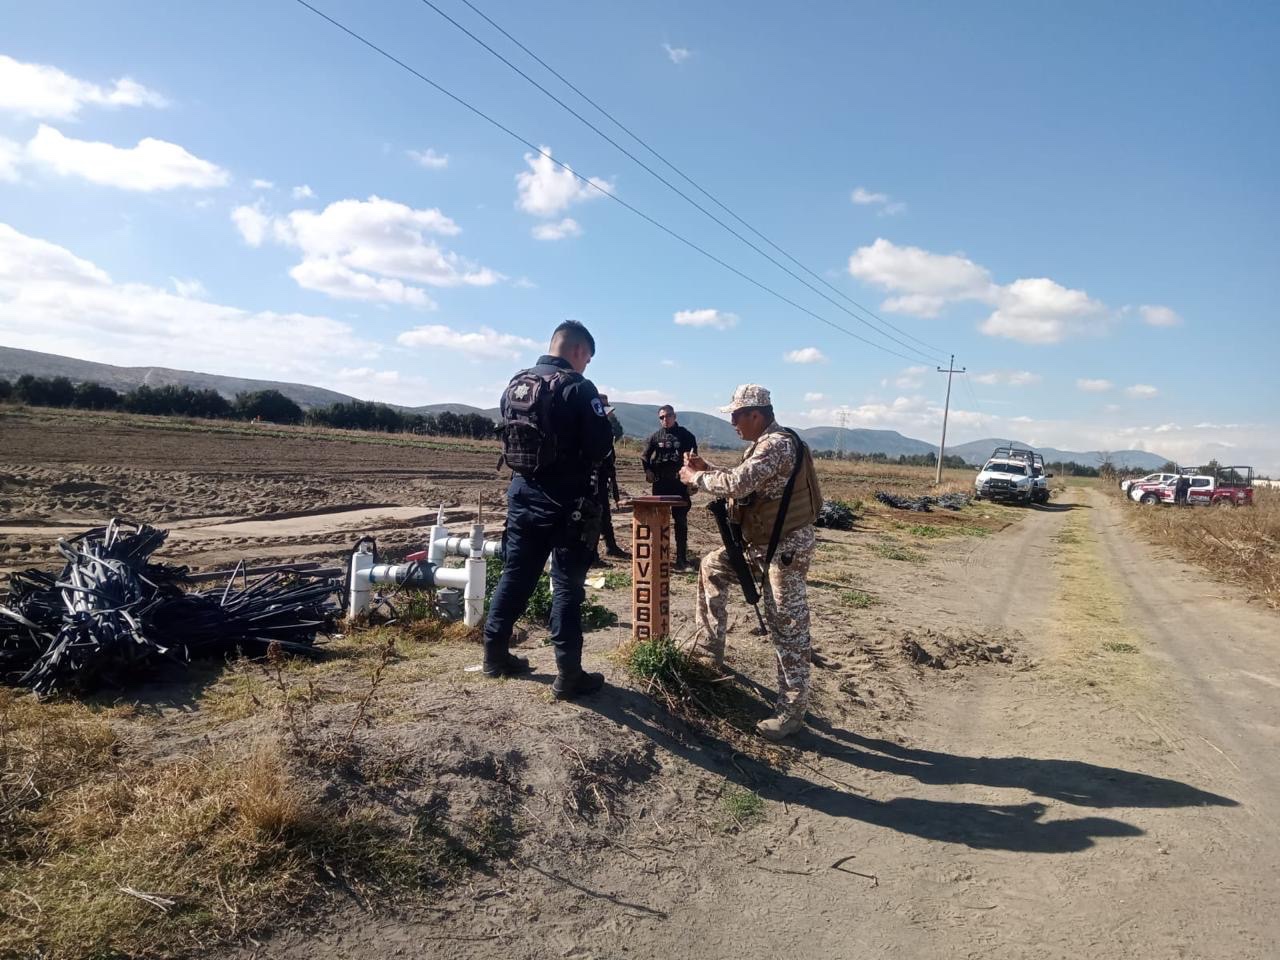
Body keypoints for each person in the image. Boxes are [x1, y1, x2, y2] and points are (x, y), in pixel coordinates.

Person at [678, 384, 822, 741]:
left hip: (783, 551)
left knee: (787, 626)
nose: (732, 422)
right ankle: (708, 652)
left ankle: (791, 712)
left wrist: (696, 477)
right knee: (712, 565)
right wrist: (708, 468)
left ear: (756, 414)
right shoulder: (764, 446)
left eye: (736, 415)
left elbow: (739, 483)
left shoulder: (777, 444)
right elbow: (752, 483)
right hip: (761, 545)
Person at [484, 321, 615, 700]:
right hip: (568, 503)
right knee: (567, 586)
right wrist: (603, 421)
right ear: (578, 351)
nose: (586, 366)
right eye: (587, 358)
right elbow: (600, 448)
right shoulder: (578, 387)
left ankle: (494, 656)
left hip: (522, 493)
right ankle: (568, 673)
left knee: (516, 574)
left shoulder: (517, 382)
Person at [642, 404, 698, 569]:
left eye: (668, 416)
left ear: (675, 416)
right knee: (659, 521)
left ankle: (681, 558)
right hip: (661, 485)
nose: (665, 420)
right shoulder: (655, 437)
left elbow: (694, 459)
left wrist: (692, 481)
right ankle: (660, 557)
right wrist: (648, 471)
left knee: (680, 521)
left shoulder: (686, 436)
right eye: (662, 417)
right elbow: (644, 455)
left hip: (679, 484)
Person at [594, 395, 628, 561]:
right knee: (593, 514)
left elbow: (618, 434)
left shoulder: (605, 425)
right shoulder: (592, 425)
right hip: (592, 475)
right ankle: (591, 553)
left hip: (604, 474)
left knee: (605, 512)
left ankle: (611, 546)